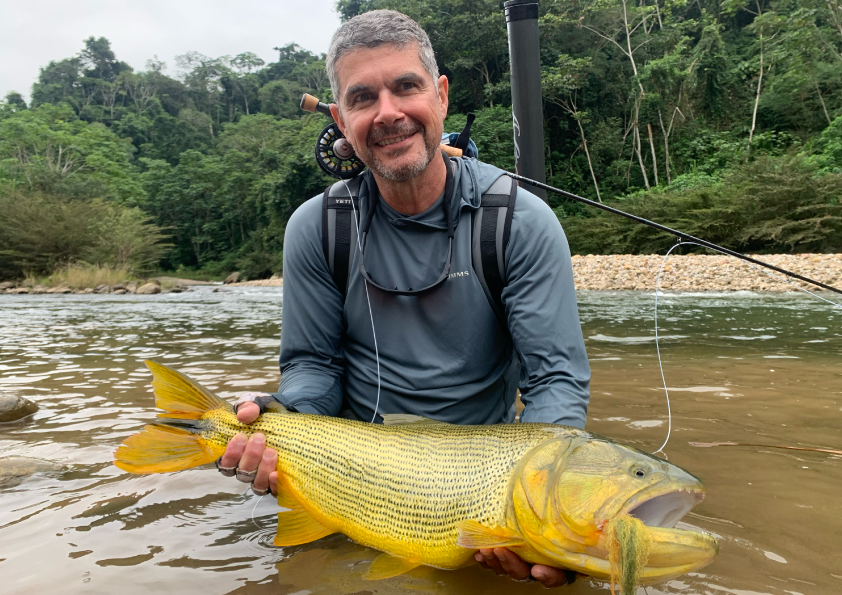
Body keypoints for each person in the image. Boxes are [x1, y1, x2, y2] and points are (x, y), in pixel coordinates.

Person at [217, 9, 590, 588]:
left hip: (478, 491)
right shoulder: (317, 227)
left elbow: (555, 383)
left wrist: (538, 508)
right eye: (364, 98)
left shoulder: (520, 221)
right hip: (349, 485)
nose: (388, 113)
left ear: (440, 97)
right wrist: (284, 421)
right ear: (342, 119)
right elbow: (313, 367)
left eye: (406, 87)